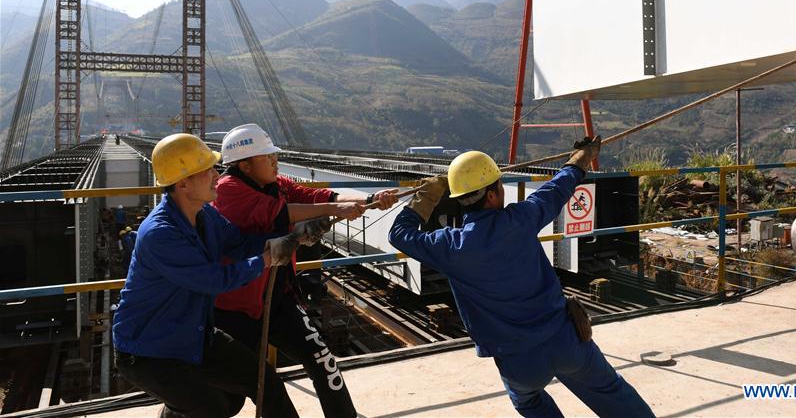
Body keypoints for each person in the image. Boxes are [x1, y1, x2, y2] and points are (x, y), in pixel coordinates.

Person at [388, 138, 655, 418]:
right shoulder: (521, 219)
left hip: (519, 361)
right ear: (491, 195)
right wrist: (584, 155)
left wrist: (428, 196)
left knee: (528, 401)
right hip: (566, 342)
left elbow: (400, 234)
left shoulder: (449, 246)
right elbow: (559, 186)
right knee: (610, 391)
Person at [112, 133, 315, 418]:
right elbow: (214, 279)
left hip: (194, 336)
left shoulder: (205, 215)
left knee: (261, 384)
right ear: (183, 183)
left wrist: (289, 237)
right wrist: (269, 258)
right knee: (211, 409)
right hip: (150, 352)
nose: (217, 175)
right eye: (207, 170)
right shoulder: (161, 234)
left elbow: (240, 243)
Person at [212, 123, 399, 418]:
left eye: (274, 156)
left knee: (323, 361)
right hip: (236, 309)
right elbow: (278, 212)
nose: (275, 161)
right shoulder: (227, 190)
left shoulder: (275, 184)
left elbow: (310, 196)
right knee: (230, 397)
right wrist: (336, 211)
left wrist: (368, 201)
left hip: (277, 297)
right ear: (245, 165)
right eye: (267, 157)